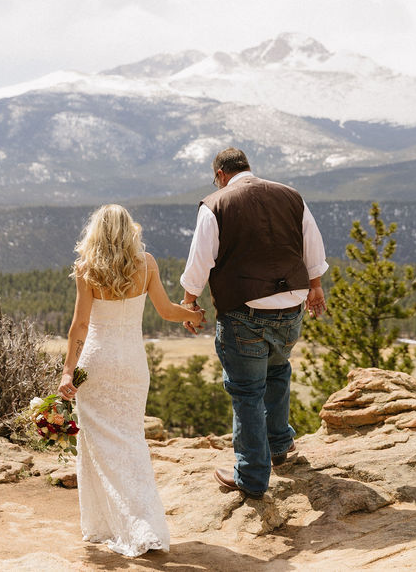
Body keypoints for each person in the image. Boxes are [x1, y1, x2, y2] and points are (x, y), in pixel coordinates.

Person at [180, 147, 328, 499]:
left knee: (246, 391)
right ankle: (279, 446)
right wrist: (316, 288)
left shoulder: (215, 204)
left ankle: (251, 475)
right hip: (291, 305)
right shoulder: (291, 196)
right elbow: (313, 246)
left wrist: (189, 299)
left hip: (243, 311)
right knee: (278, 372)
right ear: (248, 168)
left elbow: (200, 258)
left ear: (220, 174)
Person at [58, 204, 204, 557]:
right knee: (132, 441)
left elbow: (80, 326)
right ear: (129, 230)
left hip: (97, 362)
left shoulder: (86, 268)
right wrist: (194, 314)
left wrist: (67, 370)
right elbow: (167, 310)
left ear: (95, 232)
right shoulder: (147, 263)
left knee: (97, 445)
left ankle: (108, 524)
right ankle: (144, 523)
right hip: (133, 364)